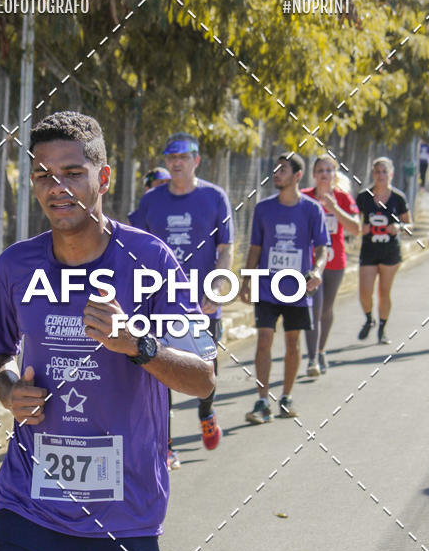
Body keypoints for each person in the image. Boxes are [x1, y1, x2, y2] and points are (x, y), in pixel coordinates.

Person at [0, 111, 215, 551]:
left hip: (122, 509)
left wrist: (136, 343)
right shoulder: (16, 267)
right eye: (42, 175)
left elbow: (204, 375)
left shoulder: (151, 260)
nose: (57, 186)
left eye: (73, 172)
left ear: (103, 177)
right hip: (30, 498)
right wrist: (7, 389)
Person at [136, 133, 234, 459]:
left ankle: (206, 412)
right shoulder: (151, 201)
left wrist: (217, 288)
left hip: (202, 304)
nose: (176, 163)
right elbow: (135, 247)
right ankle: (166, 445)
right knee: (161, 372)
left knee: (205, 371)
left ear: (196, 160)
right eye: (170, 158)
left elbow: (226, 249)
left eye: (182, 157)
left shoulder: (215, 198)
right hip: (160, 304)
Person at [240, 152, 328, 422]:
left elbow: (322, 249)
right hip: (267, 287)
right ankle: (262, 401)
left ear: (297, 176)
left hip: (297, 289)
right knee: (264, 339)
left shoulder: (312, 210)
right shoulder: (264, 209)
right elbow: (255, 247)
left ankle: (286, 397)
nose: (276, 174)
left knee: (293, 342)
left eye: (283, 170)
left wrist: (318, 271)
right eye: (275, 169)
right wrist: (246, 279)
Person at [302, 155, 360, 375]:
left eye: (329, 170)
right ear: (314, 175)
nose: (325, 174)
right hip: (309, 264)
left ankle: (322, 348)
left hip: (335, 261)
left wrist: (335, 209)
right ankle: (312, 359)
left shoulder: (342, 198)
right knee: (312, 309)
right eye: (320, 170)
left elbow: (356, 228)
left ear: (334, 175)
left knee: (325, 309)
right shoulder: (305, 197)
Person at [356, 156, 412, 345]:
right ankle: (369, 318)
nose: (381, 175)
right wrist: (359, 227)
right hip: (369, 250)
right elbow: (354, 218)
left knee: (384, 291)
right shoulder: (364, 197)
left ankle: (382, 327)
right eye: (377, 171)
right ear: (373, 174)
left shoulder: (398, 198)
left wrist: (399, 227)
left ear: (391, 174)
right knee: (365, 291)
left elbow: (409, 222)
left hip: (390, 251)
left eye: (384, 171)